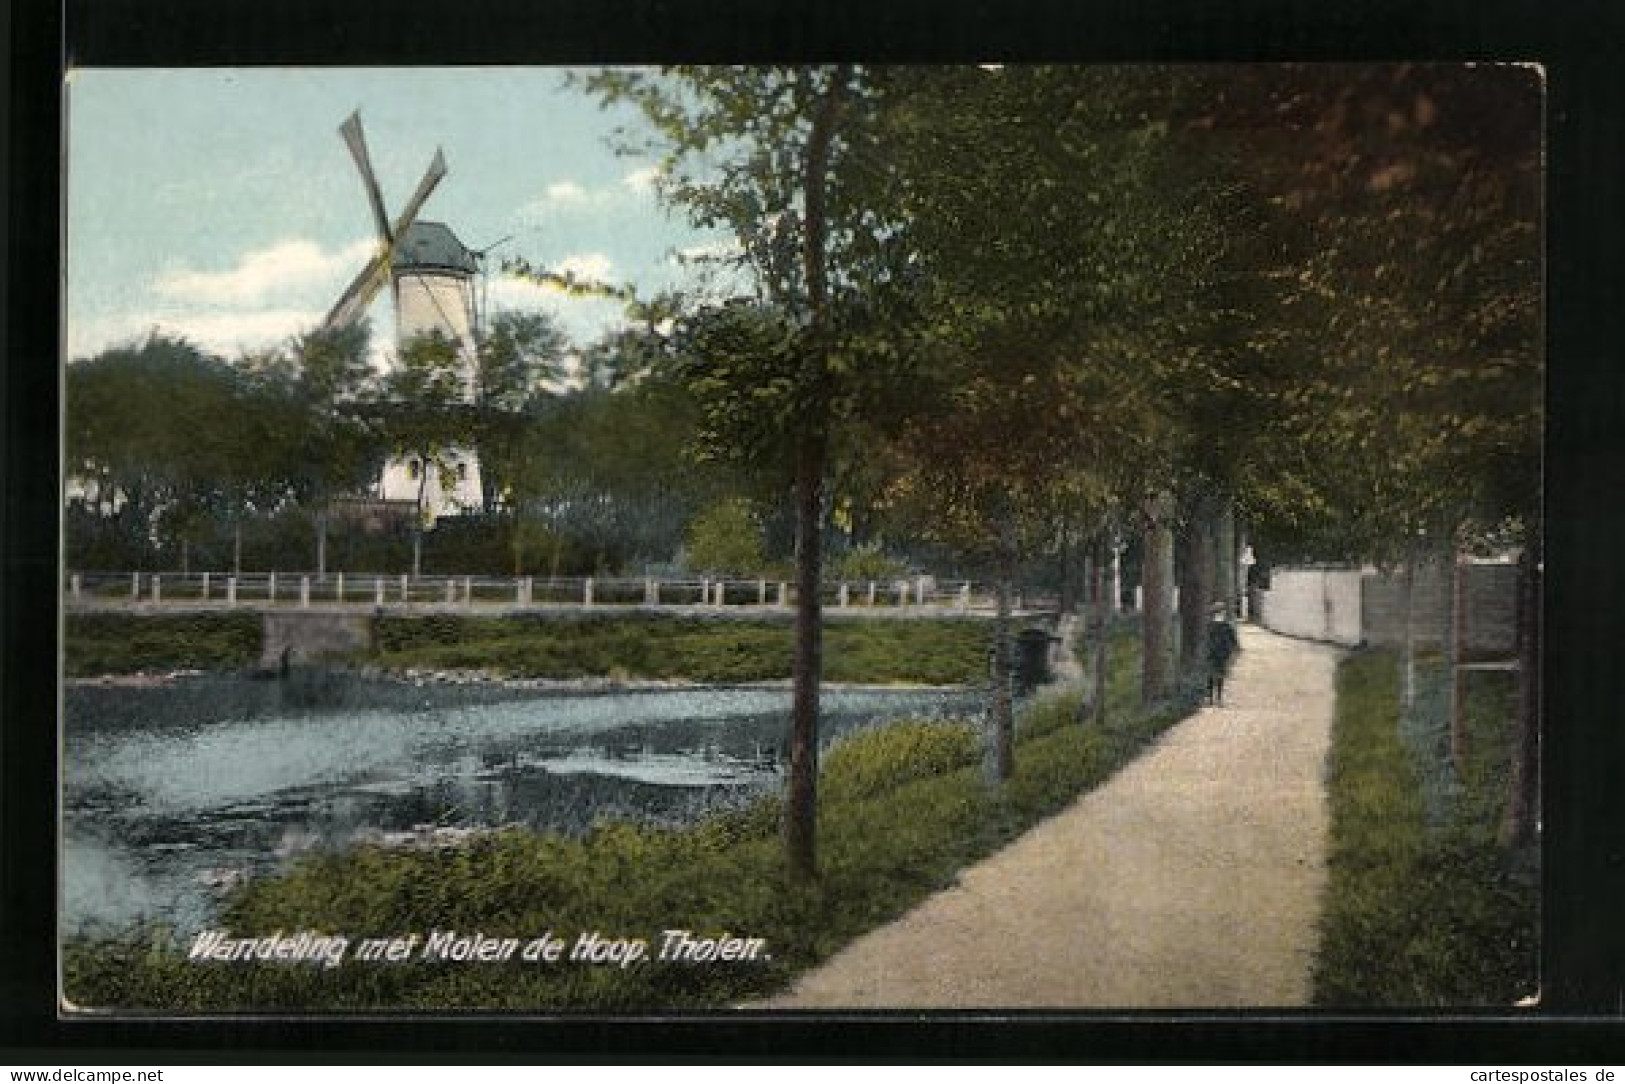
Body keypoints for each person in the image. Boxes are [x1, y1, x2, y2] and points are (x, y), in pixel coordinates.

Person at [1206, 607, 1240, 706]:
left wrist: (1233, 649)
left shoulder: (1223, 626)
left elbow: (1233, 640)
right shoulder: (1222, 626)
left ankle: (1215, 698)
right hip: (1216, 653)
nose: (1221, 614)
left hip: (1218, 653)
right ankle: (1214, 698)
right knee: (1214, 675)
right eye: (1220, 612)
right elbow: (1233, 640)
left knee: (1216, 675)